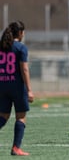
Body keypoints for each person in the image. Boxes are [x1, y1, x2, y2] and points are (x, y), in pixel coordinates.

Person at [0, 21, 34, 156]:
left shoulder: (1, 46)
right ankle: (16, 148)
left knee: (3, 116)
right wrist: (29, 89)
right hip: (17, 87)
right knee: (21, 117)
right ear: (20, 33)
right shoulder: (21, 48)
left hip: (2, 85)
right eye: (23, 31)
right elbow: (24, 69)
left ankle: (16, 148)